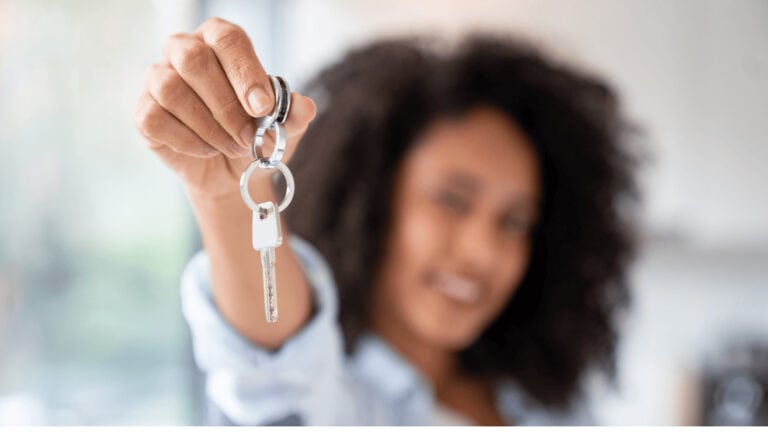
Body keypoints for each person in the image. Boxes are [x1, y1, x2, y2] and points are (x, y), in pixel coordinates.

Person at [134, 17, 638, 426]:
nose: (483, 252)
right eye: (452, 201)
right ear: (371, 200)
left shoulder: (550, 408)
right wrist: (227, 195)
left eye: (513, 222)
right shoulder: (341, 405)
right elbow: (277, 378)